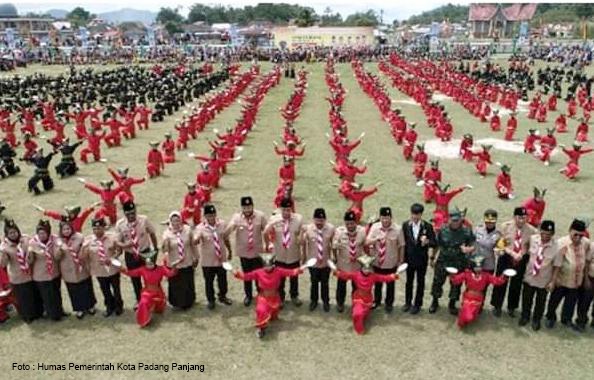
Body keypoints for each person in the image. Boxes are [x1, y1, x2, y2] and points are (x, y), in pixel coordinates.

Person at [231, 253, 304, 338]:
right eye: (266, 265)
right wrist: (234, 271)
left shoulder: (278, 271)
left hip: (275, 298)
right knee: (261, 310)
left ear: (273, 264)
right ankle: (261, 329)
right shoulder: (258, 272)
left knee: (273, 315)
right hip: (264, 298)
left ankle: (271, 313)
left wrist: (302, 268)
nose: (268, 267)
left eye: (270, 265)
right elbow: (247, 276)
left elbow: (291, 272)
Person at [331, 255, 400, 334]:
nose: (366, 270)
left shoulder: (373, 276)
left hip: (368, 299)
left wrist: (394, 275)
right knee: (357, 314)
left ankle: (362, 315)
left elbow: (384, 278)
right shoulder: (356, 274)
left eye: (368, 268)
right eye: (364, 268)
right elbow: (346, 276)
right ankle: (359, 330)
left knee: (364, 314)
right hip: (358, 298)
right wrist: (336, 271)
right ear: (361, 268)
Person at [490, 207, 538, 318]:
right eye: (519, 217)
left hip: (521, 259)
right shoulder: (505, 227)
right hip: (506, 257)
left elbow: (530, 246)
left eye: (524, 218)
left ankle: (512, 307)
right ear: (514, 217)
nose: (522, 220)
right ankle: (497, 306)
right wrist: (512, 253)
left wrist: (521, 254)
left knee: (516, 285)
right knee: (501, 282)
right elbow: (500, 243)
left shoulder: (532, 230)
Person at [429, 208, 476, 315]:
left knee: (456, 285)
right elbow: (437, 245)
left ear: (461, 219)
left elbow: (473, 245)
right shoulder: (443, 230)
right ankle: (435, 302)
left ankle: (452, 304)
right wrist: (432, 258)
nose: (455, 223)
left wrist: (469, 249)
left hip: (458, 262)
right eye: (453, 220)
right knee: (437, 282)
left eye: (457, 220)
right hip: (443, 261)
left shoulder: (466, 231)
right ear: (449, 219)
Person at [545, 219, 591, 329]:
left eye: (581, 235)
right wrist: (553, 280)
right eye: (576, 234)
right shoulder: (561, 243)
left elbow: (586, 262)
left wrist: (585, 279)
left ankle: (566, 319)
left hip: (576, 281)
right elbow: (556, 264)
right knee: (554, 301)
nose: (578, 238)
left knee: (570, 304)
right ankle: (550, 317)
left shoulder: (586, 243)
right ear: (570, 230)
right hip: (561, 280)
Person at [225, 196, 268, 306]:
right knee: (247, 275)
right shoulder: (237, 217)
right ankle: (248, 296)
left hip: (257, 252)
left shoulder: (260, 216)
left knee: (259, 275)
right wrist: (227, 231)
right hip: (244, 253)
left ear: (252, 206)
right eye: (245, 207)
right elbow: (231, 227)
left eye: (249, 207)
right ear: (242, 208)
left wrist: (268, 245)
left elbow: (266, 231)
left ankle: (260, 294)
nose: (247, 210)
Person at [0, 219, 43, 323]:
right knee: (23, 298)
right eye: (10, 233)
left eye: (15, 232)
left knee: (34, 294)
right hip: (17, 276)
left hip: (30, 273)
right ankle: (27, 316)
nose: (13, 235)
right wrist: (3, 255)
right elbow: (3, 264)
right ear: (6, 235)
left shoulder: (25, 239)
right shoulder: (5, 247)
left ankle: (39, 313)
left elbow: (34, 249)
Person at [115, 201, 158, 304]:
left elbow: (152, 233)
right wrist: (125, 245)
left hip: (145, 252)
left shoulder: (144, 220)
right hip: (131, 255)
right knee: (135, 279)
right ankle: (139, 300)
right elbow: (117, 242)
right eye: (128, 214)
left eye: (133, 213)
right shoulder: (120, 224)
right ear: (124, 213)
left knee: (150, 277)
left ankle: (152, 298)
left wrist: (155, 249)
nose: (131, 216)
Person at [263, 198, 304, 306]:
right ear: (280, 209)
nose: (286, 212)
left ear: (292, 209)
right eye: (284, 210)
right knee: (280, 279)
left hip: (293, 254)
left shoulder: (298, 219)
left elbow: (301, 235)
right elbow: (265, 232)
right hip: (279, 255)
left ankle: (294, 296)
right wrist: (268, 244)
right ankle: (280, 297)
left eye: (289, 210)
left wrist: (300, 240)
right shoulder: (274, 219)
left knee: (294, 278)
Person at [120, 252, 178, 328]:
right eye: (147, 264)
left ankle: (153, 307)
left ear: (154, 263)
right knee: (143, 302)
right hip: (147, 292)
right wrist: (122, 269)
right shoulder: (142, 269)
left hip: (158, 292)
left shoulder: (161, 269)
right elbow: (131, 273)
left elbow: (170, 274)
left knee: (159, 309)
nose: (149, 266)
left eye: (151, 264)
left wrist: (174, 267)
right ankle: (143, 320)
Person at [519, 220, 559, 331]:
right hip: (530, 276)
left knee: (540, 302)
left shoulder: (556, 247)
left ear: (553, 234)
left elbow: (556, 266)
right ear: (540, 231)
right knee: (526, 298)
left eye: (548, 234)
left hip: (543, 280)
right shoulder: (533, 239)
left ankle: (536, 319)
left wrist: (552, 282)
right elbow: (525, 249)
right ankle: (525, 316)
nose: (545, 236)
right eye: (543, 233)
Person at [449, 256, 507, 328]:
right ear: (472, 266)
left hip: (478, 299)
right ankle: (462, 320)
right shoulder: (467, 273)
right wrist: (452, 275)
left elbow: (497, 281)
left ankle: (471, 315)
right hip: (467, 297)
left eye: (480, 266)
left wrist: (504, 276)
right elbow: (456, 281)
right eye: (476, 267)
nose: (478, 269)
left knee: (473, 316)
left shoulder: (486, 275)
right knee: (466, 316)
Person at [366, 206, 405, 313]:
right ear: (380, 217)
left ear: (391, 217)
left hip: (390, 262)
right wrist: (375, 239)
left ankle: (389, 303)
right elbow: (367, 242)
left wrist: (401, 261)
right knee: (377, 284)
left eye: (387, 217)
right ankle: (377, 301)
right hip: (377, 262)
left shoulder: (398, 229)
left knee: (390, 285)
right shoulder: (374, 227)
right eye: (383, 217)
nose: (385, 220)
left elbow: (401, 245)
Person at [56, 218, 96, 319]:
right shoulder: (58, 241)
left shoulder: (79, 237)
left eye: (68, 228)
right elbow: (56, 257)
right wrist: (60, 249)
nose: (66, 231)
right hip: (68, 269)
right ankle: (79, 309)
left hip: (81, 266)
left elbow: (86, 250)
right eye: (64, 229)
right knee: (73, 290)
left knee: (86, 286)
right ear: (61, 230)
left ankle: (90, 306)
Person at [83, 217, 123, 317]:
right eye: (95, 229)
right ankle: (109, 307)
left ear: (104, 228)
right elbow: (84, 257)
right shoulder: (88, 240)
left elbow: (119, 251)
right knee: (105, 290)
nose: (97, 231)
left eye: (99, 228)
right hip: (99, 270)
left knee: (116, 289)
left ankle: (119, 306)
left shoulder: (112, 237)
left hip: (112, 269)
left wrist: (112, 258)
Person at [195, 204, 232, 309]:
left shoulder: (222, 224)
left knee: (223, 279)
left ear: (215, 214)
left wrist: (230, 251)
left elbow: (226, 239)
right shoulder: (200, 228)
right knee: (208, 282)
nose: (211, 217)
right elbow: (196, 238)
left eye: (213, 215)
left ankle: (223, 296)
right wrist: (195, 239)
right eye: (209, 215)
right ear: (205, 216)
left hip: (221, 259)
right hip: (208, 261)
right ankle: (211, 300)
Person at [402, 203, 436, 314]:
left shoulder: (427, 226)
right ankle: (407, 302)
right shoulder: (406, 225)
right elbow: (403, 242)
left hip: (421, 260)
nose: (415, 217)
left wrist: (427, 242)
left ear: (421, 214)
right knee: (409, 282)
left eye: (417, 215)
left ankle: (417, 304)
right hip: (409, 259)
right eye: (413, 214)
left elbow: (434, 242)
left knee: (420, 282)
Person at [28, 219, 65, 321]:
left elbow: (58, 257)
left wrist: (59, 248)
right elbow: (30, 261)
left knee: (56, 294)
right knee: (48, 297)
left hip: (54, 273)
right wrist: (30, 253)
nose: (42, 235)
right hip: (41, 275)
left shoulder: (55, 239)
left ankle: (60, 311)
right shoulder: (32, 243)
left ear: (48, 232)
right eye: (40, 233)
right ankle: (53, 315)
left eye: (44, 233)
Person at [161, 211, 198, 310]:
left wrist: (196, 257)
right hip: (174, 263)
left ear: (181, 220)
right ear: (170, 222)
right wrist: (165, 248)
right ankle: (176, 303)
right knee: (176, 284)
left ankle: (189, 301)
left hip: (187, 261)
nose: (176, 223)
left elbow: (193, 244)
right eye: (173, 221)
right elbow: (165, 250)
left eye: (178, 221)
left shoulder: (187, 230)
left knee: (188, 282)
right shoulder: (166, 234)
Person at [301, 208, 335, 312]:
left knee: (325, 283)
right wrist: (304, 257)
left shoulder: (331, 229)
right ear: (313, 219)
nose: (319, 223)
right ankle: (314, 301)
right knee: (314, 283)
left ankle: (326, 302)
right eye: (317, 220)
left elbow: (333, 244)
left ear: (325, 220)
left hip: (325, 262)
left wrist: (334, 258)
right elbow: (303, 243)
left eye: (322, 220)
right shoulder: (308, 229)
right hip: (313, 262)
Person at [331, 210, 366, 313]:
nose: (350, 226)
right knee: (341, 287)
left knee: (356, 287)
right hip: (343, 266)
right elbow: (334, 246)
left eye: (352, 223)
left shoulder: (362, 231)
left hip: (357, 266)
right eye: (347, 224)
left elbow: (365, 244)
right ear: (344, 223)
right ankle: (340, 303)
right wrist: (335, 258)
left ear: (356, 222)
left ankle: (356, 304)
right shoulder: (339, 231)